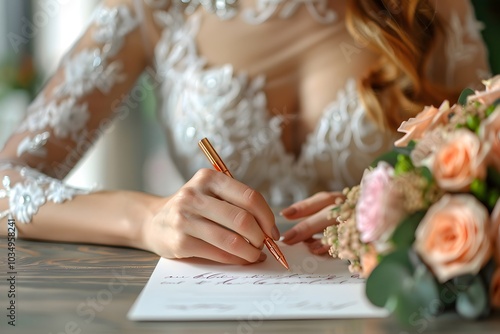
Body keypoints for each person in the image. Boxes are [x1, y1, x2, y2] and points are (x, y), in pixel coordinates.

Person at [0, 0, 490, 264]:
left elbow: (488, 170)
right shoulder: (155, 8)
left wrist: (397, 202)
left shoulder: (428, 8)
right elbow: (6, 184)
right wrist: (147, 219)